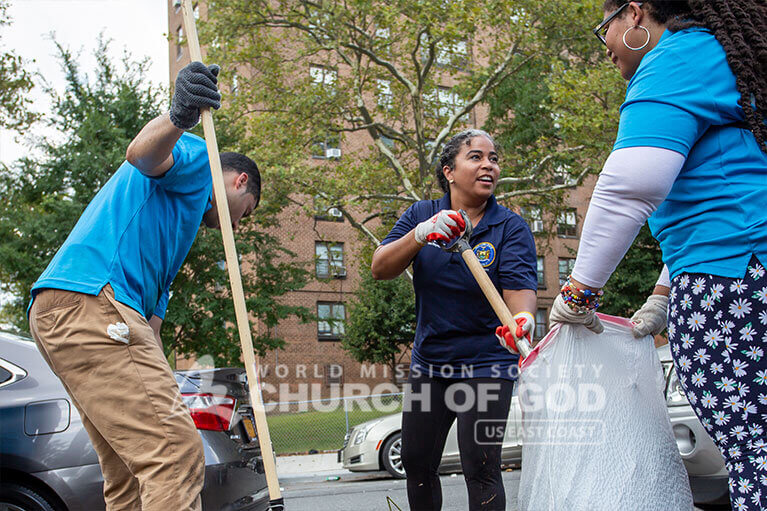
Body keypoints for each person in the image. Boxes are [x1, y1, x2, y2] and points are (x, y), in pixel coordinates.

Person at [549, 2, 767, 509]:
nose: (604, 47)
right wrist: (665, 292)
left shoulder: (676, 58)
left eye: (605, 29)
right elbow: (726, 185)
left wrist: (579, 290)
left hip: (734, 286)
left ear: (635, 14)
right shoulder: (725, 57)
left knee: (755, 447)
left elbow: (630, 187)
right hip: (742, 267)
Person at [27, 61, 261, 511]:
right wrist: (180, 116)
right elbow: (142, 155)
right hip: (92, 301)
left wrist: (168, 391)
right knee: (174, 453)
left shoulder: (171, 236)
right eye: (244, 212)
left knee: (130, 471)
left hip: (75, 311)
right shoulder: (201, 162)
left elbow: (149, 333)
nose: (237, 224)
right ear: (240, 181)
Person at [371, 129, 538, 510]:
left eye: (494, 158)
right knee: (417, 463)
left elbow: (518, 289)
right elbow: (380, 267)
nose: (489, 165)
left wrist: (523, 318)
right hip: (431, 364)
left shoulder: (510, 227)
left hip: (488, 364)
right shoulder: (421, 214)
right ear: (449, 170)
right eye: (476, 157)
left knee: (481, 467)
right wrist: (419, 234)